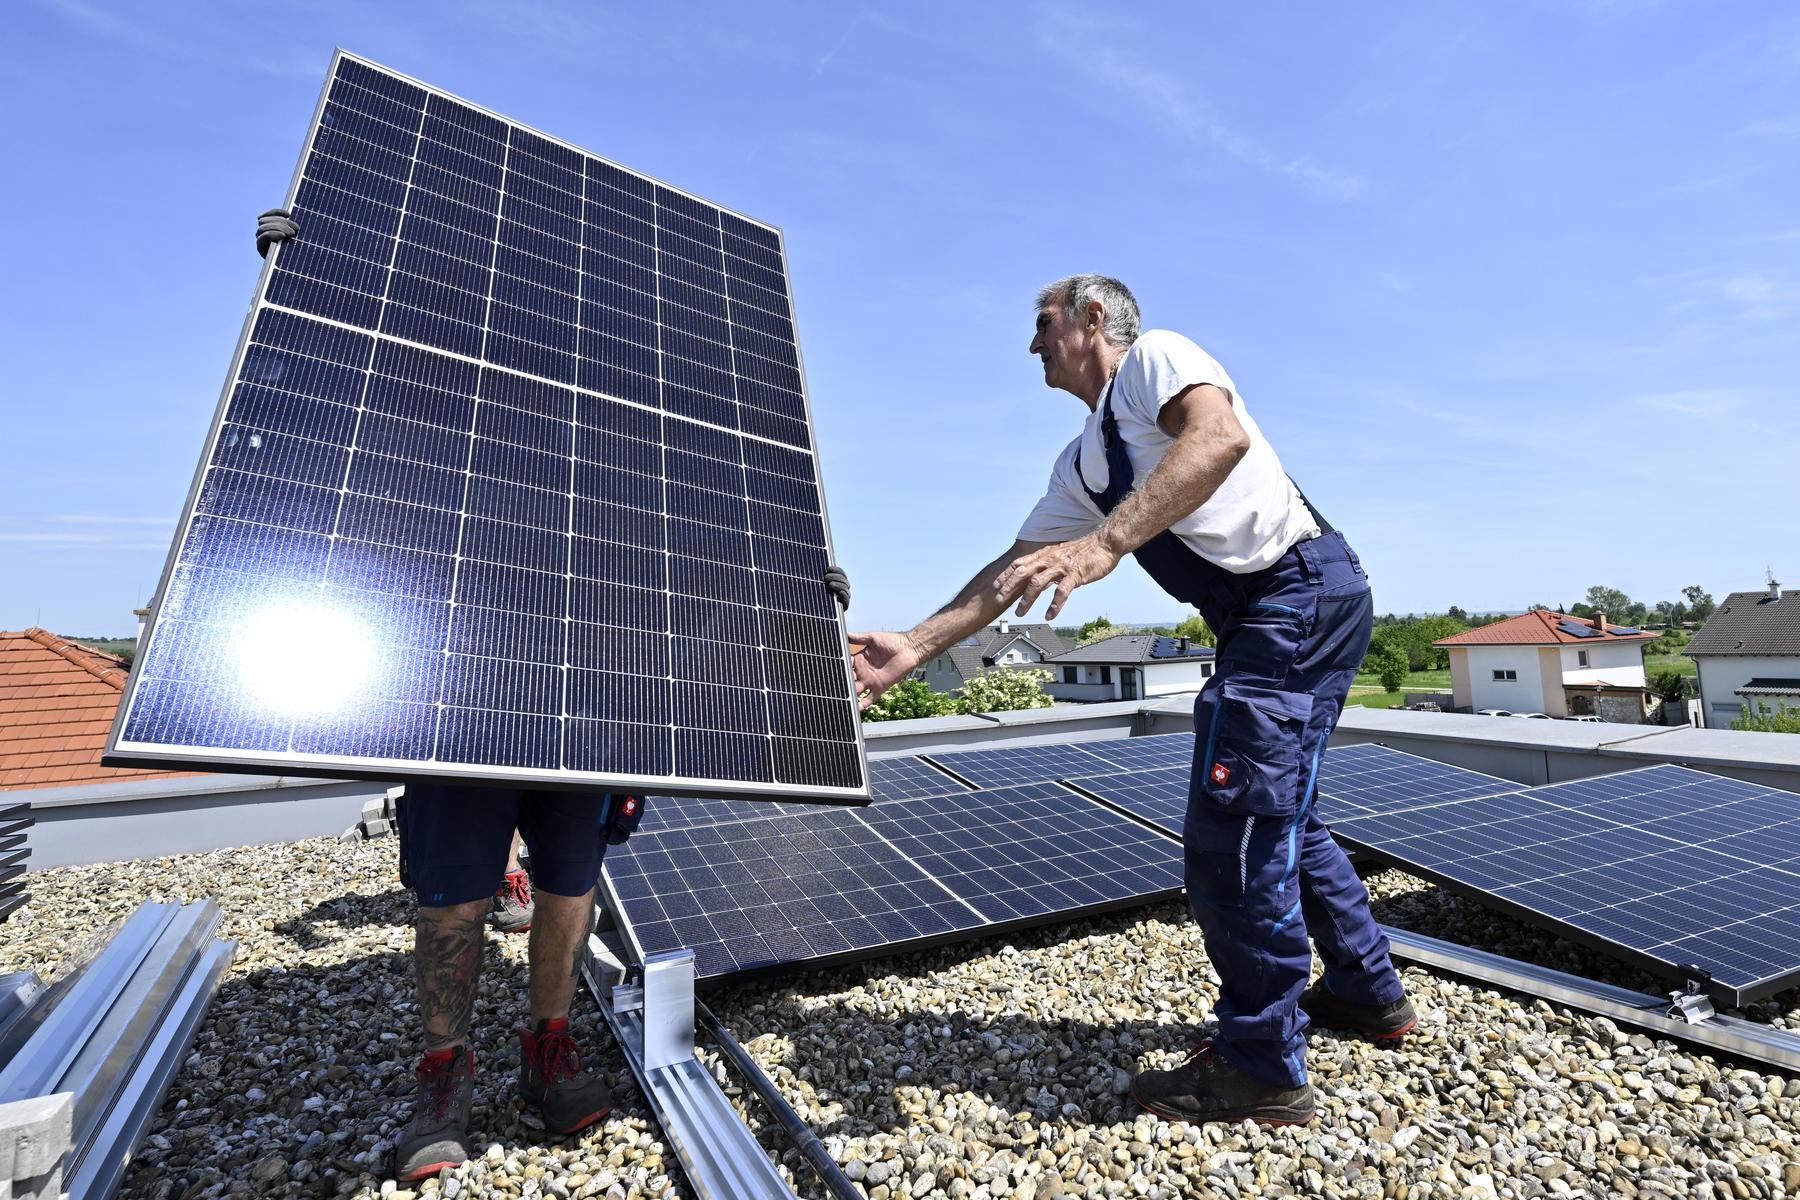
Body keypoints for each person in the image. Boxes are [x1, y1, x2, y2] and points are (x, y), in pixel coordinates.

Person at [851, 275, 1416, 1126]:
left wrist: (1106, 543)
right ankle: (1367, 991)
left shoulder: (1157, 360)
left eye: (1042, 324)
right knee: (1275, 808)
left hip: (1295, 594)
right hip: (1263, 613)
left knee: (1232, 830)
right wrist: (916, 647)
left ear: (1090, 318)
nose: (1033, 344)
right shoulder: (1085, 461)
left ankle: (1261, 1064)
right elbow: (1012, 569)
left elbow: (1217, 439)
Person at [392, 789, 619, 1181]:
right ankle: (445, 1070)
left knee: (571, 888)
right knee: (454, 898)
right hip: (463, 738)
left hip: (584, 737)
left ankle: (549, 1051)